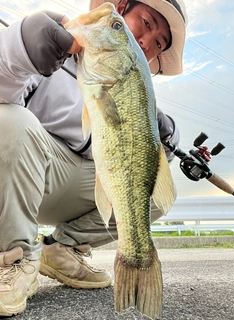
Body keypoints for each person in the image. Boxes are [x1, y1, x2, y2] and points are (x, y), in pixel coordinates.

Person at [0, 0, 187, 316]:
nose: (145, 40)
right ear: (123, 6)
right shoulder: (50, 47)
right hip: (22, 180)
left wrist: (167, 141)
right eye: (146, 21)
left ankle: (62, 250)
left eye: (158, 43)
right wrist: (19, 48)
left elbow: (124, 155)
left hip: (77, 186)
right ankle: (14, 257)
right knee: (10, 121)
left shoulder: (136, 93)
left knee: (151, 196)